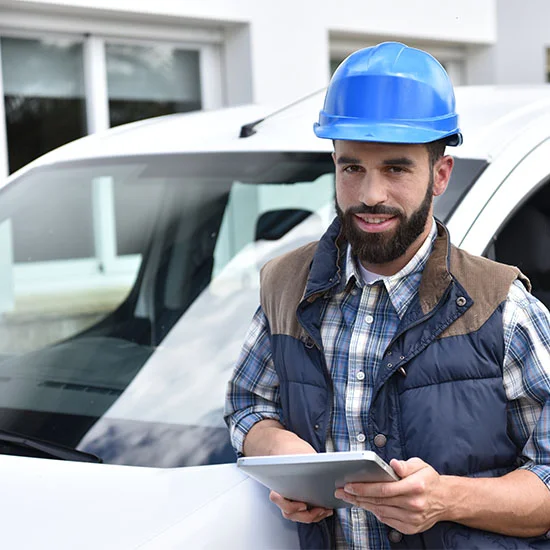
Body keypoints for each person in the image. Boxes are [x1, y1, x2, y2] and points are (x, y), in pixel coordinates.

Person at [224, 42, 550, 549]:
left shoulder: (504, 309)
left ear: (439, 175)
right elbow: (247, 406)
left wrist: (447, 499)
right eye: (352, 168)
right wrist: (286, 461)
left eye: (396, 169)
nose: (370, 194)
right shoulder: (284, 286)